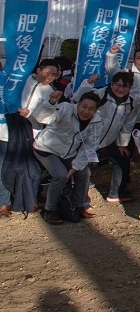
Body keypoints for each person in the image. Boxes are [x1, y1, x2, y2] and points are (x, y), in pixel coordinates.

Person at [71, 71, 140, 203]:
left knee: (122, 159)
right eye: (118, 85)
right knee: (84, 167)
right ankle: (78, 197)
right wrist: (88, 83)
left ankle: (115, 193)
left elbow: (127, 124)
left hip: (107, 142)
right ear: (112, 84)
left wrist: (122, 144)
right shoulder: (100, 94)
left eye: (125, 86)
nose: (120, 89)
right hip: (88, 140)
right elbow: (78, 99)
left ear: (130, 88)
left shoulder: (130, 103)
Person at [33, 91, 102, 225]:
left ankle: (78, 205)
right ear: (78, 104)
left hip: (67, 152)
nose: (86, 111)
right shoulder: (65, 108)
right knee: (61, 175)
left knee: (84, 171)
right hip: (46, 147)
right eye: (84, 106)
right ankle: (49, 210)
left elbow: (90, 146)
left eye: (91, 109)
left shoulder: (97, 121)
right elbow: (42, 118)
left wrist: (75, 166)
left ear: (95, 111)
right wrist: (51, 103)